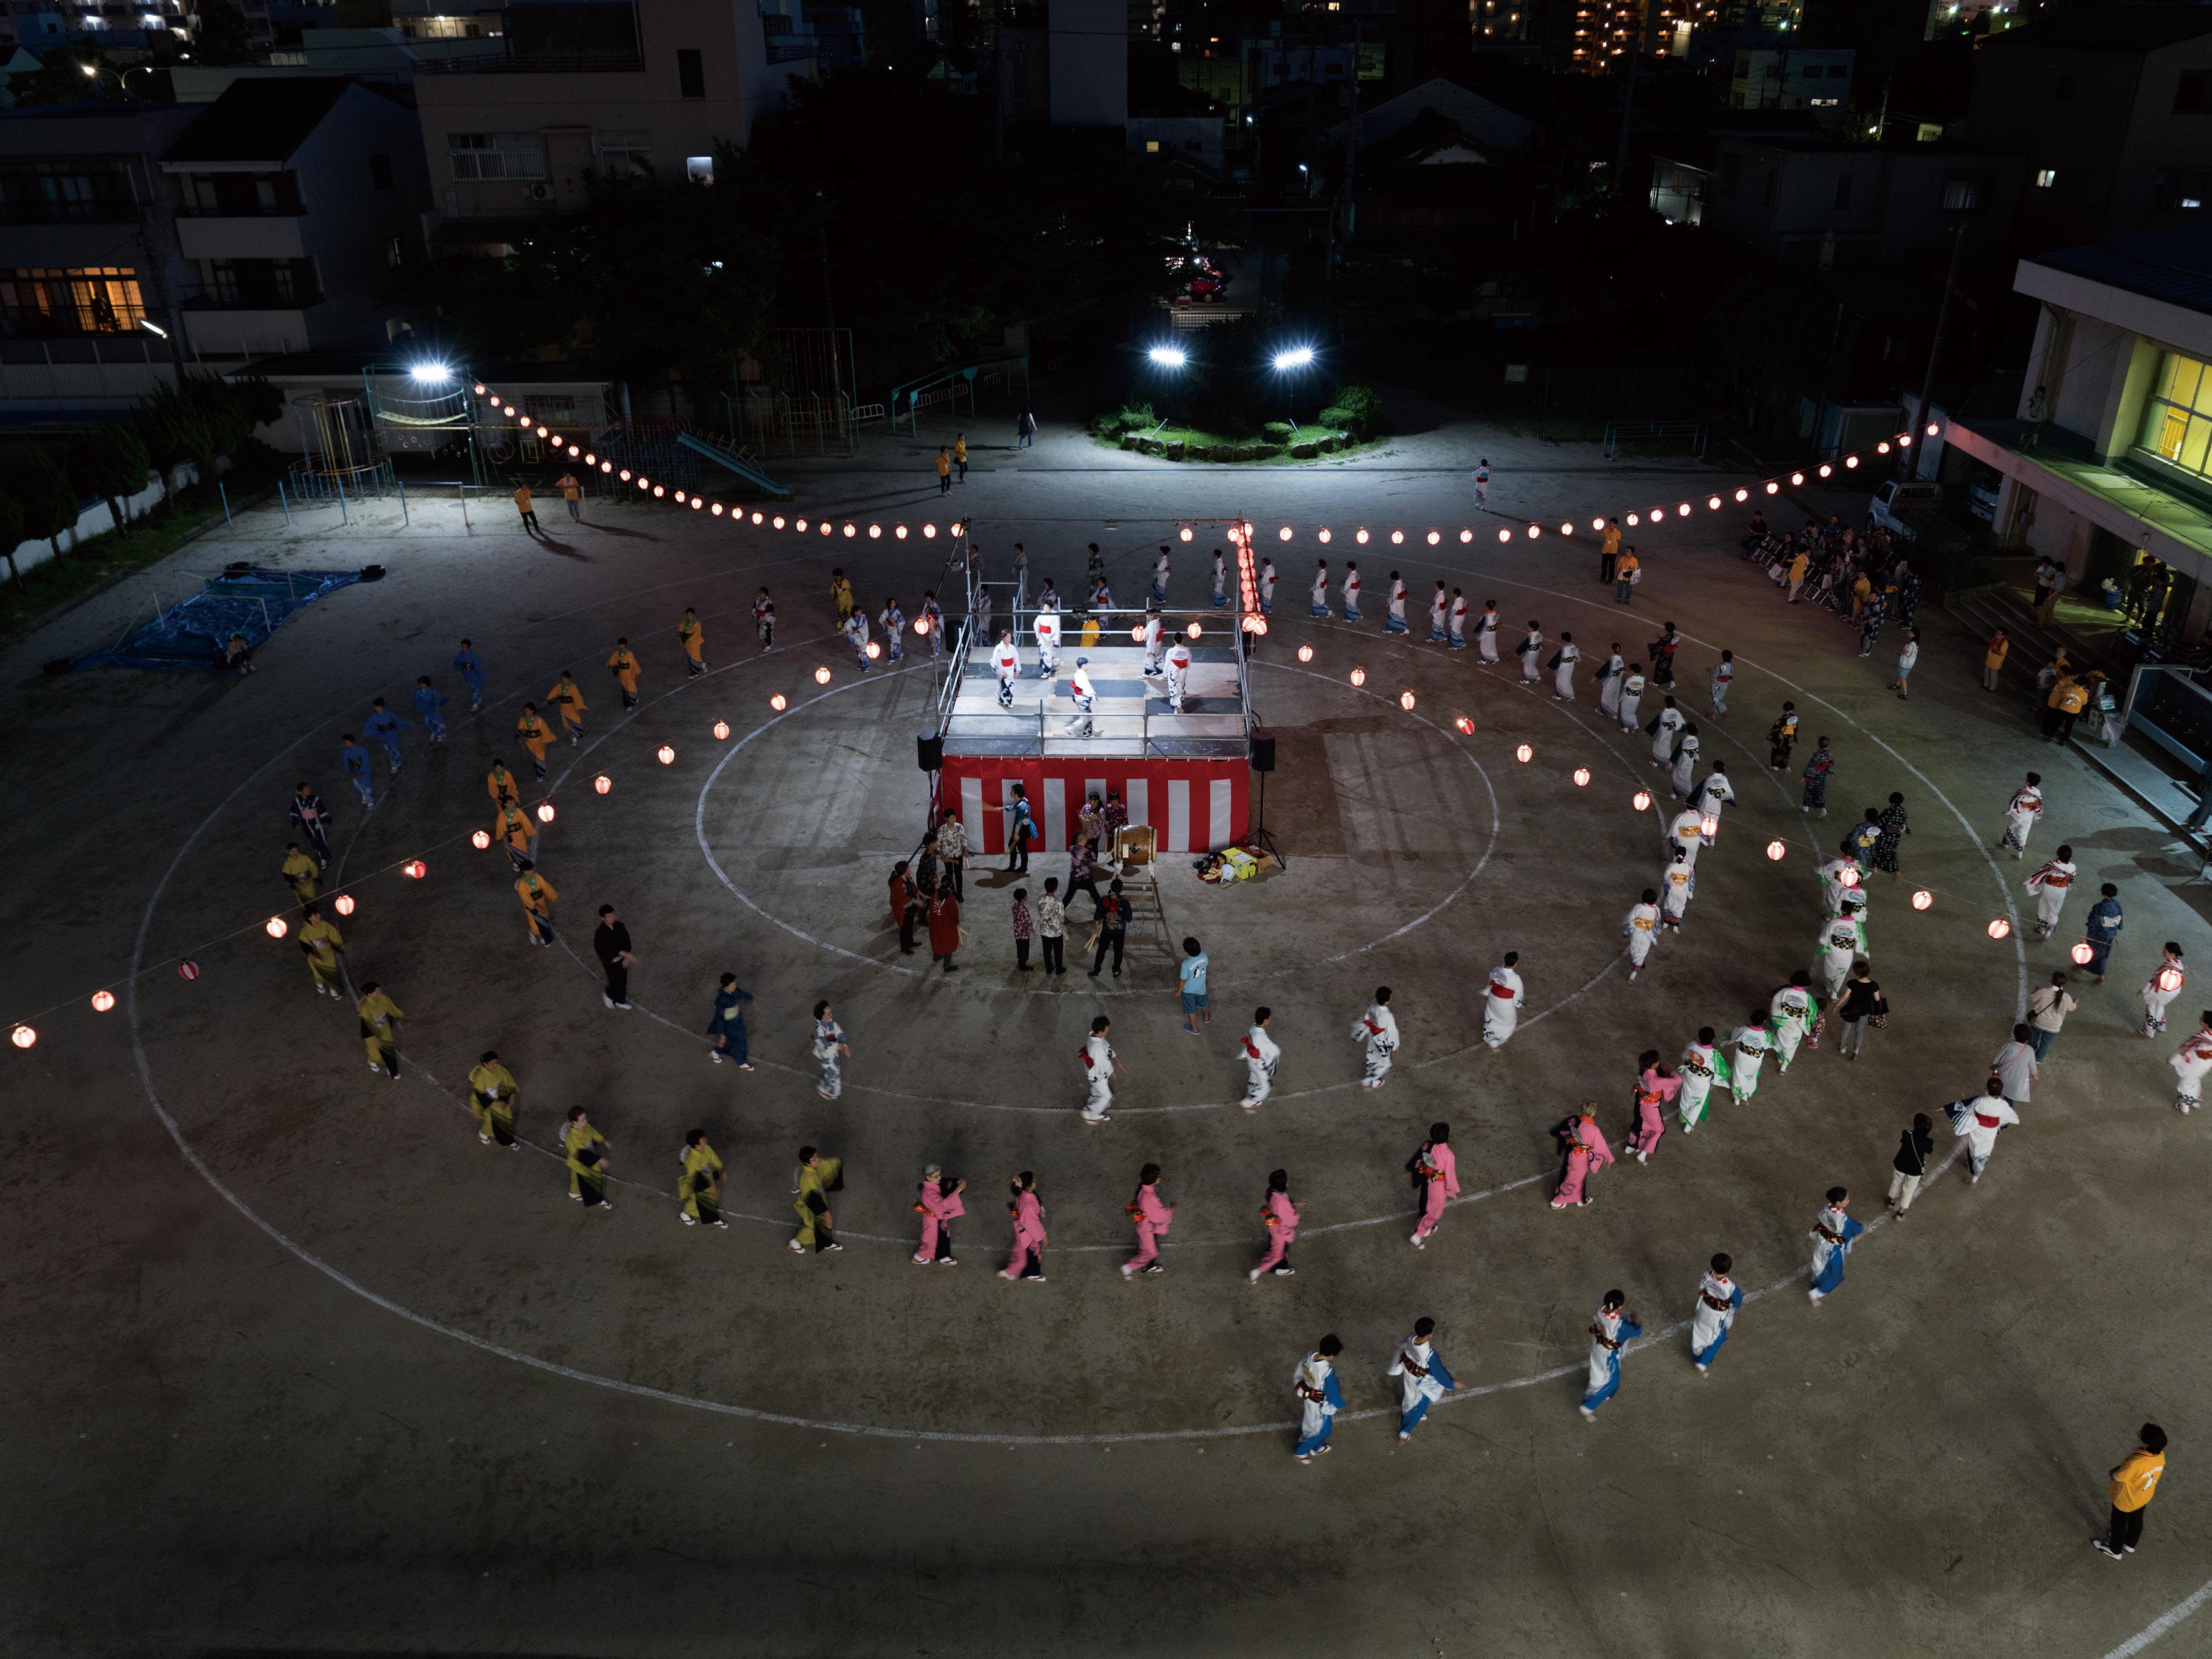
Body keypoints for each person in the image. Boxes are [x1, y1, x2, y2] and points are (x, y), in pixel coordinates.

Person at [2095, 1424, 2170, 1560]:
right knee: (2136, 1519)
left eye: (2140, 1434)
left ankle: (2115, 1550)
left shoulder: (2136, 1463)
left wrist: (2114, 1473)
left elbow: (2119, 1476)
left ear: (2145, 1444)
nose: (2138, 1434)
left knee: (2119, 1524)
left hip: (2126, 1499)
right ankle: (2130, 1543)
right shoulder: (2160, 1456)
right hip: (2142, 1496)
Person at [1389, 1319, 1458, 1441]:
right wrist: (1451, 1382)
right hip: (1420, 1381)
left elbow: (1402, 1350)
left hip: (1408, 1372)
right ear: (1429, 1334)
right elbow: (1439, 1371)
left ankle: (1414, 1412)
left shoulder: (1410, 1338)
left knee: (1410, 1395)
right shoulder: (1429, 1354)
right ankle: (1405, 1431)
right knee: (1420, 1403)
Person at [1580, 1291, 1641, 1419]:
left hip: (1598, 1345)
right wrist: (1636, 1323)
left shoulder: (1601, 1308)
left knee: (1598, 1370)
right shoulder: (1617, 1325)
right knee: (1610, 1381)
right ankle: (1588, 1406)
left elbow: (1617, 1319)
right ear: (1619, 1306)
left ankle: (1605, 1394)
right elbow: (1634, 1331)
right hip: (1608, 1354)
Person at [1947, 1078, 2020, 1183]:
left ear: (1988, 1088)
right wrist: (2000, 1122)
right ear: (2001, 1091)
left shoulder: (1980, 1101)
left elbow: (1967, 1107)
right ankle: (1976, 1176)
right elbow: (2014, 1119)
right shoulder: (2004, 1105)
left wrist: (1947, 1108)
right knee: (1985, 1151)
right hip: (1991, 1132)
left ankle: (1972, 1166)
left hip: (1978, 1129)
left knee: (1973, 1149)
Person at [1550, 1104, 1613, 1210]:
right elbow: (1601, 1145)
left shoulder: (1574, 1120)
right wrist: (1608, 1159)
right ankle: (1558, 1201)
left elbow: (1562, 1130)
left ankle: (1581, 1199)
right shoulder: (1593, 1130)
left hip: (1571, 1152)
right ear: (1593, 1113)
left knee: (1574, 1176)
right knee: (1574, 1179)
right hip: (1581, 1158)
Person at [1806, 1186, 1863, 1304]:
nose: (1849, 1201)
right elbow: (1855, 1229)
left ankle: (1815, 1285)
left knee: (1819, 1265)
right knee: (1836, 1272)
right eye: (1846, 1199)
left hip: (1821, 1242)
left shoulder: (1826, 1209)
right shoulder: (1843, 1219)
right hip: (1833, 1249)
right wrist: (1856, 1234)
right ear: (1838, 1203)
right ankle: (1817, 1292)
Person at [1292, 1335, 1344, 1461]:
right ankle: (1301, 1451)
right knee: (1322, 1430)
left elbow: (1299, 1373)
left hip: (1308, 1397)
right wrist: (1333, 1408)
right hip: (1320, 1404)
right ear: (1332, 1354)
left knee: (1309, 1422)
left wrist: (1302, 1390)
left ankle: (1317, 1447)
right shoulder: (1327, 1372)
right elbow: (1332, 1392)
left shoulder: (1308, 1356)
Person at [1689, 1254, 1743, 1375]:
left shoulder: (1706, 1275)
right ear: (1728, 1269)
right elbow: (1737, 1301)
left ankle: (1695, 1357)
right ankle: (1703, 1362)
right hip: (1716, 1316)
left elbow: (1702, 1287)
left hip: (1703, 1308)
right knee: (1718, 1337)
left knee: (1698, 1331)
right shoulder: (1730, 1288)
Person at [1410, 1122, 1462, 1243]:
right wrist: (1454, 1190)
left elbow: (1427, 1163)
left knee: (1428, 1204)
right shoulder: (1449, 1155)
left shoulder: (1431, 1147)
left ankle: (1421, 1222)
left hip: (1430, 1181)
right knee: (1435, 1212)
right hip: (1438, 1185)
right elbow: (1450, 1175)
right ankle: (1418, 1234)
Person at [1122, 1163, 1174, 1278]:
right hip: (1147, 1228)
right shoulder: (1149, 1198)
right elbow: (1160, 1216)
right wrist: (1170, 1210)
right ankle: (1130, 1267)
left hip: (1141, 1222)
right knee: (1152, 1252)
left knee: (1145, 1246)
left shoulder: (1141, 1187)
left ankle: (1147, 1264)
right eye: (1159, 1176)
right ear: (1155, 1180)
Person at [1628, 1053, 1679, 1164]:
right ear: (1655, 1064)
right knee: (1659, 1130)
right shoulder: (1657, 1080)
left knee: (1643, 1125)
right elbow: (1678, 1080)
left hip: (1642, 1103)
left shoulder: (1643, 1072)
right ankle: (1643, 1154)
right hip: (1651, 1108)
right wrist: (1672, 1071)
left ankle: (1634, 1145)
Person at [790, 1146, 843, 1253]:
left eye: (817, 1156)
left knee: (817, 1225)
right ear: (807, 1163)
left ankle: (826, 1243)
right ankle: (797, 1242)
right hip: (811, 1206)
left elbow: (824, 1167)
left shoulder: (812, 1169)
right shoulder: (808, 1179)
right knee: (815, 1226)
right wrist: (827, 1215)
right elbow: (814, 1201)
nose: (818, 1160)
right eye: (814, 1160)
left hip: (816, 1199)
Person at [1250, 1169, 1299, 1282]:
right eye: (1287, 1180)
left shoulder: (1271, 1192)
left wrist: (1292, 1204)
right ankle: (1257, 1272)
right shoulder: (1281, 1204)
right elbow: (1291, 1220)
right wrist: (1294, 1211)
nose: (1288, 1182)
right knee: (1278, 1255)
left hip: (1273, 1224)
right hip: (1280, 1231)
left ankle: (1278, 1263)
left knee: (1276, 1247)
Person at [674, 1130, 729, 1229]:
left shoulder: (706, 1148)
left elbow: (714, 1158)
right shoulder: (692, 1161)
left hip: (707, 1180)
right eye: (703, 1139)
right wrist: (712, 1192)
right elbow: (696, 1179)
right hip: (699, 1186)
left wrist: (721, 1169)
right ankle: (715, 1220)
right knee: (704, 1203)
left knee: (694, 1203)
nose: (706, 1139)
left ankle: (685, 1214)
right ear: (697, 1144)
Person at [467, 1050, 519, 1148]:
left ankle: (484, 1134)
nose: (495, 1066)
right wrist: (496, 1103)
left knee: (506, 1118)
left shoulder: (499, 1070)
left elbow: (508, 1081)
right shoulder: (480, 1078)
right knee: (495, 1124)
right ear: (485, 1064)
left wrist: (512, 1094)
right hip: (491, 1105)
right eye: (492, 1064)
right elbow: (481, 1096)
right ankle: (507, 1141)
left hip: (502, 1099)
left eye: (496, 1063)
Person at [913, 1166, 966, 1265]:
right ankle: (920, 1256)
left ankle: (943, 1256)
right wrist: (958, 1190)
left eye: (939, 1175)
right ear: (928, 1177)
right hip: (933, 1220)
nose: (939, 1178)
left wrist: (957, 1182)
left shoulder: (931, 1184)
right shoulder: (928, 1192)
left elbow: (946, 1182)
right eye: (935, 1176)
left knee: (942, 1237)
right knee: (931, 1240)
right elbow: (944, 1204)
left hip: (936, 1218)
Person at [1885, 1111, 1934, 1216]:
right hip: (1915, 1169)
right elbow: (1930, 1151)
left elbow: (1903, 1141)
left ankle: (1891, 1202)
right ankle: (1900, 1214)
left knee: (1896, 1182)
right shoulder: (1928, 1142)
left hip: (1901, 1164)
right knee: (1909, 1189)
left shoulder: (1907, 1134)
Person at [999, 1171, 1046, 1281]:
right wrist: (1043, 1236)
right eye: (1033, 1181)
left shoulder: (1024, 1193)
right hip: (1027, 1232)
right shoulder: (1028, 1205)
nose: (1035, 1182)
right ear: (1029, 1186)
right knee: (1026, 1256)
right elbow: (1032, 1224)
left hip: (1022, 1228)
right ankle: (1012, 1272)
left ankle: (1016, 1272)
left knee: (1021, 1251)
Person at [563, 1106, 612, 1210]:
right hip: (581, 1161)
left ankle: (574, 1193)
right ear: (574, 1122)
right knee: (592, 1179)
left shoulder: (584, 1126)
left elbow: (592, 1132)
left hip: (579, 1160)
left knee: (577, 1176)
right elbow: (583, 1154)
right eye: (582, 1120)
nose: (585, 1121)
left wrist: (603, 1140)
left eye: (585, 1118)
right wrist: (600, 1159)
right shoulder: (574, 1138)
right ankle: (599, 1200)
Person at [1834, 962, 1884, 1060]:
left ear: (1857, 973)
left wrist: (1836, 1006)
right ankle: (1856, 1049)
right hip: (1864, 1011)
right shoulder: (1874, 985)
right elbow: (1877, 999)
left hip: (1851, 1011)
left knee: (1847, 1028)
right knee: (1859, 1030)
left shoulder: (1853, 983)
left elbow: (1844, 997)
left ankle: (1843, 1048)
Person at [1353, 987, 1400, 1088]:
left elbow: (1366, 1021)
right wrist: (1395, 1044)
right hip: (1382, 1040)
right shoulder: (1387, 1016)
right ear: (1388, 1000)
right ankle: (1375, 1080)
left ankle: (1371, 1073)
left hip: (1372, 1038)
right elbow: (1392, 1031)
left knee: (1372, 1056)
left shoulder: (1372, 1008)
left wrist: (1360, 1033)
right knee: (1384, 1061)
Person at [1677, 1028, 1724, 1131]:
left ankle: (1683, 1116)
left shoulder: (1692, 1045)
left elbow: (1685, 1056)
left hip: (1689, 1076)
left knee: (1686, 1096)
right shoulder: (1714, 1054)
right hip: (1702, 1081)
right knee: (1697, 1102)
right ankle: (1689, 1126)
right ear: (1712, 1040)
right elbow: (1720, 1072)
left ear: (1699, 1036)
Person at [1770, 971, 1816, 1073]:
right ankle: (1784, 1067)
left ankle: (1780, 1057)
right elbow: (1812, 1013)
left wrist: (1777, 1021)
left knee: (1781, 1040)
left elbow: (1774, 1008)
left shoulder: (1784, 992)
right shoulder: (1808, 998)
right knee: (1792, 1046)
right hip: (1797, 1026)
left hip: (1784, 1023)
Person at [297, 903, 344, 998]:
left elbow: (333, 935)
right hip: (315, 955)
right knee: (318, 972)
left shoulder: (324, 925)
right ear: (310, 918)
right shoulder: (305, 931)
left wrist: (338, 945)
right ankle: (319, 982)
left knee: (331, 971)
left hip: (328, 952)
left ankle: (333, 990)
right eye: (315, 915)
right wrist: (309, 953)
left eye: (317, 914)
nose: (319, 916)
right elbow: (304, 944)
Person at [706, 973, 754, 1068]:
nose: (735, 986)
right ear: (727, 986)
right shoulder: (721, 1000)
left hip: (737, 1020)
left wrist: (750, 999)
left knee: (734, 1041)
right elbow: (720, 1019)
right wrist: (722, 1034)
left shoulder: (733, 991)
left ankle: (715, 1052)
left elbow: (741, 994)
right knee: (739, 1040)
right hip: (729, 1024)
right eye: (733, 984)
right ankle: (741, 1063)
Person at [2028, 971, 2077, 1061]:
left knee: (2033, 1036)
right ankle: (2039, 1059)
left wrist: (2036, 991)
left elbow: (2033, 999)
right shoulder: (2066, 997)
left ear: (2052, 981)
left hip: (2039, 1021)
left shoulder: (2044, 992)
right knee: (2045, 1043)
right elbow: (2071, 1008)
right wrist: (2075, 1002)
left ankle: (2030, 1053)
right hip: (2054, 1026)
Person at [593, 903, 634, 1010]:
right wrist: (625, 954)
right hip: (610, 962)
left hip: (622, 959)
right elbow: (606, 949)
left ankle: (620, 1001)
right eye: (609, 917)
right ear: (603, 918)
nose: (612, 918)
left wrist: (626, 956)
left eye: (613, 915)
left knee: (623, 980)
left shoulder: (620, 926)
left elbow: (627, 942)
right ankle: (609, 994)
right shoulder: (600, 933)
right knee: (615, 980)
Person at [1726, 1010, 1772, 1103]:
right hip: (1755, 1060)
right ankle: (1745, 1096)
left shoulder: (1744, 1029)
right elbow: (1767, 1046)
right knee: (1751, 1077)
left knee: (1738, 1075)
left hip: (1742, 1057)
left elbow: (1734, 1036)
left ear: (1751, 1018)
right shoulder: (1766, 1035)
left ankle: (1736, 1099)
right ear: (1764, 1022)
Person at [1081, 1014, 1121, 1123]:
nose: (1108, 1031)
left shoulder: (1094, 1036)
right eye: (1107, 1029)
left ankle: (1093, 1099)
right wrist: (1111, 1071)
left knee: (1097, 1091)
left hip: (1092, 1070)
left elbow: (1106, 1047)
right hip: (1097, 1074)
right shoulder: (1097, 1048)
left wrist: (1115, 1057)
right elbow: (1103, 1064)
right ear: (1101, 1031)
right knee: (1107, 1096)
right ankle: (1092, 1114)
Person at [2141, 943, 2186, 1037]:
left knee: (2152, 1009)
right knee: (2160, 1006)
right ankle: (2161, 1026)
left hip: (2161, 992)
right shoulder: (2179, 964)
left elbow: (2155, 980)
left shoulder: (2168, 966)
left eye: (2165, 951)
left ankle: (2149, 1031)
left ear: (2172, 953)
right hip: (2173, 991)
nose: (2163, 952)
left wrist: (2145, 990)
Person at [2170, 1013, 2212, 1112]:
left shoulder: (2200, 1037)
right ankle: (2194, 1100)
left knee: (2184, 1084)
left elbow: (2185, 1048)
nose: (2200, 1019)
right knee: (2195, 1080)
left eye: (2202, 1019)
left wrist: (2172, 1060)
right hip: (2207, 1064)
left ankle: (2184, 1107)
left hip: (2195, 1064)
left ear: (2207, 1024)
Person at [1240, 1007, 1280, 1110]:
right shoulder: (1261, 1037)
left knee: (1253, 1079)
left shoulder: (1252, 1028)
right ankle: (1252, 1100)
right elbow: (1269, 1052)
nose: (1269, 1020)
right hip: (1257, 1063)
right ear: (1265, 1020)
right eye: (1268, 1018)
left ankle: (1252, 1096)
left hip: (1252, 1059)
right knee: (1261, 1084)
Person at [2082, 884, 2123, 983]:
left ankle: (2082, 967)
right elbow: (2120, 918)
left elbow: (2093, 922)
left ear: (2103, 893)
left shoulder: (2099, 907)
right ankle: (2101, 976)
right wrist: (2119, 927)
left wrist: (2089, 935)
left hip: (2098, 934)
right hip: (2110, 934)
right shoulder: (2117, 905)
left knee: (2090, 951)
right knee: (2104, 954)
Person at [1992, 1021, 2039, 1106]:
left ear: (2015, 1034)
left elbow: (1997, 1058)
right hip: (2017, 1081)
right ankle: (2005, 1115)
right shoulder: (2029, 1050)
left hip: (2003, 1076)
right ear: (2028, 1037)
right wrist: (2035, 1075)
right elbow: (2032, 1066)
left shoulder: (2009, 1046)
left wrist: (1994, 1065)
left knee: (1996, 1093)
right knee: (2009, 1098)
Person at [1482, 953, 1524, 1048]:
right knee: (1509, 1022)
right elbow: (1519, 993)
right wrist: (1519, 1004)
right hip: (1505, 1003)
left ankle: (1489, 1035)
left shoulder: (1496, 969)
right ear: (1515, 964)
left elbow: (1491, 979)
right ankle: (1497, 1040)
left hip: (1493, 998)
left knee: (1491, 1016)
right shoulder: (1515, 978)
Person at [2000, 772, 2043, 859]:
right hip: (2028, 818)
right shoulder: (2037, 792)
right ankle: (2019, 854)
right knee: (2023, 835)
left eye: (2027, 778)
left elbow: (2013, 802)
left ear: (2028, 782)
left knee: (2010, 829)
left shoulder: (2021, 792)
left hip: (2018, 817)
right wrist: (2038, 815)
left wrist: (2008, 812)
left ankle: (2006, 844)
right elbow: (2039, 805)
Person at [812, 1000, 849, 1099]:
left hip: (832, 1054)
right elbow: (826, 1045)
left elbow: (838, 1031)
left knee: (836, 1069)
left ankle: (827, 1084)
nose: (831, 1015)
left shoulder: (829, 1022)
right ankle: (827, 1090)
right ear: (822, 1016)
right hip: (827, 1056)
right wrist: (839, 1046)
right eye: (828, 1014)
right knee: (835, 1075)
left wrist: (845, 1045)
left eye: (830, 1013)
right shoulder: (819, 1030)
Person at [362, 698, 410, 775]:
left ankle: (399, 760)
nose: (376, 708)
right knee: (389, 750)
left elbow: (397, 721)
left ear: (381, 707)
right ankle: (393, 764)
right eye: (375, 707)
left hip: (392, 734)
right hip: (384, 735)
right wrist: (367, 730)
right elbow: (368, 724)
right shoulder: (374, 716)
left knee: (395, 749)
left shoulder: (388, 714)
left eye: (377, 707)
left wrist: (405, 725)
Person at [514, 860, 557, 946]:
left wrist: (553, 896)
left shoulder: (537, 878)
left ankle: (544, 937)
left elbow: (546, 887)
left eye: (531, 870)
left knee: (544, 920)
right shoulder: (522, 886)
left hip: (541, 904)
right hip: (532, 909)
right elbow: (526, 899)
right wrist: (535, 906)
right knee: (535, 923)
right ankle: (534, 933)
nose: (530, 872)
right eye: (528, 870)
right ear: (524, 871)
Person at [290, 782, 332, 867]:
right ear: (301, 792)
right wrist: (296, 823)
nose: (309, 790)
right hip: (307, 825)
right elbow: (294, 812)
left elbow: (322, 809)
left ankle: (323, 859)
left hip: (317, 824)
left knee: (322, 841)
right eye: (306, 789)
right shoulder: (297, 802)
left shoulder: (314, 799)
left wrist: (326, 821)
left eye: (309, 788)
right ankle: (322, 854)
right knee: (314, 841)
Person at [1623, 889, 1661, 980]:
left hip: (1637, 932)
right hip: (1647, 934)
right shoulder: (1656, 910)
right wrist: (1657, 931)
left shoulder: (1638, 907)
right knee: (1643, 949)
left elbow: (1631, 918)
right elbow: (1657, 922)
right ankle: (1636, 969)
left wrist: (1627, 930)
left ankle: (1638, 961)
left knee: (1635, 948)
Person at [1176, 935, 1211, 1033]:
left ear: (1186, 950)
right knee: (1204, 1004)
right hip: (1201, 988)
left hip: (1188, 991)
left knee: (1191, 1011)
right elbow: (1205, 966)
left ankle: (1194, 1029)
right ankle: (1207, 1017)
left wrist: (1178, 992)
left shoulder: (1185, 964)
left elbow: (1183, 980)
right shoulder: (1204, 956)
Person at [927, 880, 961, 975]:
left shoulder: (936, 894)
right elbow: (955, 914)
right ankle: (947, 966)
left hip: (935, 923)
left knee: (936, 939)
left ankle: (937, 956)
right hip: (946, 926)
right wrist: (957, 924)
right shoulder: (951, 900)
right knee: (947, 943)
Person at [1871, 792, 1909, 878]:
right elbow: (1904, 824)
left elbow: (1880, 822)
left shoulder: (1888, 811)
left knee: (1880, 850)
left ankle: (1875, 867)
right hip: (1896, 836)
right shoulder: (1903, 812)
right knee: (1892, 852)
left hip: (1886, 835)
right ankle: (1896, 870)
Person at [1035, 877, 1067, 976]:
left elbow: (1041, 914)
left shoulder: (1040, 900)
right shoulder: (1059, 902)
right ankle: (1059, 968)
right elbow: (1062, 919)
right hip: (1057, 932)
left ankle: (1049, 968)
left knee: (1047, 951)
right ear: (1055, 889)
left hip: (1045, 932)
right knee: (1058, 951)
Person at [547, 670, 587, 746]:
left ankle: (574, 737)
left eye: (565, 678)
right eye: (562, 678)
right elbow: (554, 693)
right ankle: (574, 736)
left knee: (575, 721)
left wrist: (579, 707)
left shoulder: (573, 688)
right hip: (563, 709)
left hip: (571, 708)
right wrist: (550, 699)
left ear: (569, 679)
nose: (563, 680)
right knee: (566, 724)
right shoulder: (559, 686)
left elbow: (577, 698)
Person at [935, 809, 967, 901]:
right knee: (949, 874)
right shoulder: (942, 830)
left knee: (958, 873)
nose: (953, 820)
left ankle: (959, 893)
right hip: (947, 856)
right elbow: (938, 843)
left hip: (958, 854)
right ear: (946, 819)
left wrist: (965, 850)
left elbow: (963, 838)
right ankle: (952, 892)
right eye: (951, 818)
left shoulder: (959, 827)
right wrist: (941, 855)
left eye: (954, 818)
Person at [515, 702, 553, 782]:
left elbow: (545, 731)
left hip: (539, 743)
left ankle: (540, 774)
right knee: (533, 759)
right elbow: (520, 731)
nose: (526, 712)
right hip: (530, 744)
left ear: (533, 711)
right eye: (526, 710)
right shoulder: (523, 720)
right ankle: (541, 772)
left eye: (528, 710)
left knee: (539, 758)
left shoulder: (538, 720)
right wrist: (521, 742)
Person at [1659, 847, 1695, 930]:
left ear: (1675, 854)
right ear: (1685, 855)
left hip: (1672, 890)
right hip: (1683, 892)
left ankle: (1666, 924)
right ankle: (1676, 927)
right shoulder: (1690, 867)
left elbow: (1666, 877)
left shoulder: (1672, 866)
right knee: (1680, 908)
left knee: (1669, 905)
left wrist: (1668, 885)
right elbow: (1692, 879)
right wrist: (1689, 891)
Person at [280, 841, 320, 910]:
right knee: (303, 902)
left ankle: (314, 911)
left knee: (311, 899)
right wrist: (296, 884)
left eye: (296, 850)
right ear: (288, 852)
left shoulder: (304, 858)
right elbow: (287, 877)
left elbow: (313, 867)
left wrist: (312, 877)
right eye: (292, 851)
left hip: (309, 883)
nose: (294, 853)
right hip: (299, 886)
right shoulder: (287, 864)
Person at [1063, 656, 1096, 737]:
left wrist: (1093, 694)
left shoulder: (1078, 674)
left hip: (1080, 698)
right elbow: (1086, 688)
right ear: (1084, 665)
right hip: (1083, 699)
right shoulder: (1082, 676)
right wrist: (1091, 696)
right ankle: (1072, 728)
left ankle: (1087, 733)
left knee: (1087, 716)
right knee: (1085, 717)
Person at [1648, 697, 1684, 769]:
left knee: (1657, 747)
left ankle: (1655, 762)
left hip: (1661, 733)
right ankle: (1669, 761)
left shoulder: (1663, 713)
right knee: (1667, 746)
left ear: (1665, 703)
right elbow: (1682, 725)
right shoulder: (1677, 713)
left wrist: (1647, 730)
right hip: (1669, 733)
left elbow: (1657, 723)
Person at [607, 636, 642, 713]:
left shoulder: (629, 654)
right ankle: (629, 702)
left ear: (625, 645)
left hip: (629, 675)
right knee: (625, 690)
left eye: (623, 645)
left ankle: (631, 704)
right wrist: (611, 666)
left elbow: (633, 664)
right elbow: (612, 661)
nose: (621, 646)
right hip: (623, 675)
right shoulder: (617, 653)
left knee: (631, 689)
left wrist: (636, 673)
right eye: (620, 645)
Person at [1801, 736, 1834, 816]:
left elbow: (1811, 766)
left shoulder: (1817, 754)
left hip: (1813, 777)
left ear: (1818, 744)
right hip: (1822, 777)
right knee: (1820, 793)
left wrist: (1804, 777)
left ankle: (1805, 807)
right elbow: (1831, 766)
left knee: (1809, 792)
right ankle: (1823, 810)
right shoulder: (1829, 754)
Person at [412, 676, 449, 744]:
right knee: (428, 723)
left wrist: (437, 706)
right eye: (420, 684)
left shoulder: (432, 691)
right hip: (424, 709)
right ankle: (436, 734)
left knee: (438, 722)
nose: (421, 685)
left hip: (432, 709)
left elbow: (436, 699)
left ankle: (441, 734)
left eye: (423, 684)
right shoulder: (418, 692)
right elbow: (416, 701)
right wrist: (418, 708)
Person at [453, 638, 486, 712]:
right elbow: (456, 663)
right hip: (467, 676)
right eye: (462, 646)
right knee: (473, 689)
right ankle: (478, 698)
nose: (463, 648)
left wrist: (465, 666)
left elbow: (477, 666)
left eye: (464, 647)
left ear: (468, 647)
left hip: (474, 676)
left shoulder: (472, 656)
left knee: (474, 689)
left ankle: (475, 704)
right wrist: (464, 666)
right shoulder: (460, 655)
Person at [1767, 701, 1799, 772]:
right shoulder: (1794, 719)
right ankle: (1786, 765)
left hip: (1781, 739)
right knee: (1787, 752)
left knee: (1776, 752)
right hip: (1789, 739)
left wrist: (1771, 739)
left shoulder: (1782, 720)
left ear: (1784, 710)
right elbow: (1796, 729)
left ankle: (1774, 766)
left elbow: (1775, 730)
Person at [1550, 631, 1580, 700]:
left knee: (1560, 681)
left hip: (1563, 668)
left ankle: (1558, 696)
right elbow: (1578, 659)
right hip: (1571, 667)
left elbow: (1557, 659)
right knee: (1568, 680)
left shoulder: (1564, 649)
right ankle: (1570, 695)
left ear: (1563, 640)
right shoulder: (1574, 647)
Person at [1889, 629, 1919, 700]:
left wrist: (1900, 652)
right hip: (1906, 663)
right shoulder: (1915, 643)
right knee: (1900, 674)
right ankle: (1897, 685)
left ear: (1914, 635)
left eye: (1910, 632)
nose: (1908, 633)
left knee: (1903, 678)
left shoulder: (1911, 645)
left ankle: (1905, 695)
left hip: (1906, 664)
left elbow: (1905, 653)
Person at [1616, 662, 1645, 733]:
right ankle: (1635, 724)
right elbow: (1641, 689)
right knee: (1632, 711)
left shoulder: (1629, 680)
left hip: (1628, 698)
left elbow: (1625, 689)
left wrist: (1620, 699)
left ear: (1633, 671)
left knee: (1625, 712)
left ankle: (1625, 728)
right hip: (1637, 698)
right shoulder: (1642, 679)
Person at [677, 606, 705, 677]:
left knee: (694, 658)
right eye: (687, 615)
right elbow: (679, 630)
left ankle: (694, 673)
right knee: (693, 658)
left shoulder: (696, 624)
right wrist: (681, 638)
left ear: (693, 615)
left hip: (695, 644)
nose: (688, 616)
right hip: (688, 645)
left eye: (690, 615)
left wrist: (686, 637)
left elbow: (697, 634)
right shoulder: (685, 623)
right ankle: (702, 665)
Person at [1517, 621, 1545, 686]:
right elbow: (1540, 644)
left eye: (1529, 627)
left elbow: (1524, 645)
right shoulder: (1539, 634)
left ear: (1532, 628)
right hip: (1537, 652)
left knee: (1527, 665)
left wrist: (1518, 652)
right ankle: (1537, 677)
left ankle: (1526, 680)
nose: (1528, 628)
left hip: (1531, 652)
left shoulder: (1531, 636)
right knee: (1532, 664)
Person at [1708, 649, 1734, 717]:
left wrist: (1709, 671)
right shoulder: (1731, 666)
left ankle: (1721, 711)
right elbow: (1730, 676)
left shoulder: (1720, 666)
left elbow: (1714, 674)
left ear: (1723, 657)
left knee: (1715, 698)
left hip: (1718, 684)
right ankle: (1713, 713)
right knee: (1717, 697)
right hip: (1725, 684)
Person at [754, 588, 777, 652]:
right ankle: (769, 639)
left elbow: (769, 612)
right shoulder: (758, 600)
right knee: (760, 634)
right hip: (761, 620)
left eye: (761, 593)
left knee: (767, 632)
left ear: (765, 594)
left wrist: (762, 617)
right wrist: (754, 615)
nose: (760, 594)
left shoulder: (768, 602)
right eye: (760, 593)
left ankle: (768, 645)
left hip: (768, 620)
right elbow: (754, 607)